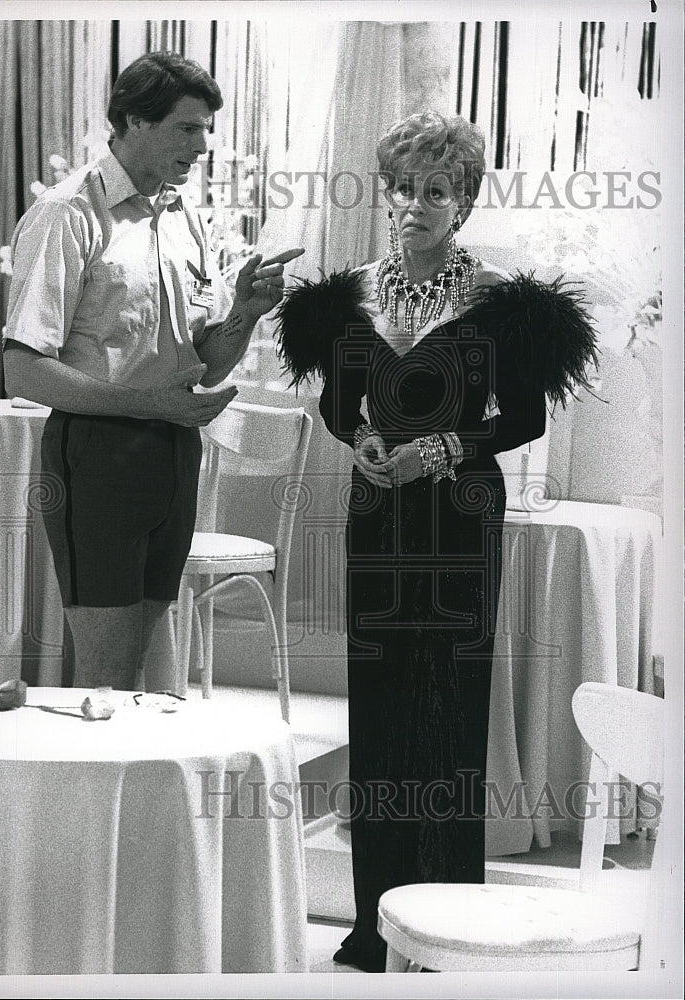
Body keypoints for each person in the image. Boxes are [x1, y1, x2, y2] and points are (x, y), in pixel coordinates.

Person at [276, 110, 598, 972]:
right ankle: (373, 924)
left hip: (459, 511)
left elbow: (523, 418)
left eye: (435, 191)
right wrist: (366, 444)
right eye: (403, 189)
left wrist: (446, 447)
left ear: (462, 203)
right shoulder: (351, 296)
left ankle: (447, 917)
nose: (414, 205)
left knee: (449, 701)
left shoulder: (502, 301)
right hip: (377, 511)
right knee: (379, 697)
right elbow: (337, 407)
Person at [3, 51, 303, 690]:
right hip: (98, 451)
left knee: (136, 675)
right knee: (105, 674)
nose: (202, 146)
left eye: (206, 131)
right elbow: (24, 370)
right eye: (187, 129)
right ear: (134, 121)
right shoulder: (68, 214)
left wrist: (245, 315)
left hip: (171, 451)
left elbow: (199, 360)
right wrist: (151, 406)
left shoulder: (182, 219)